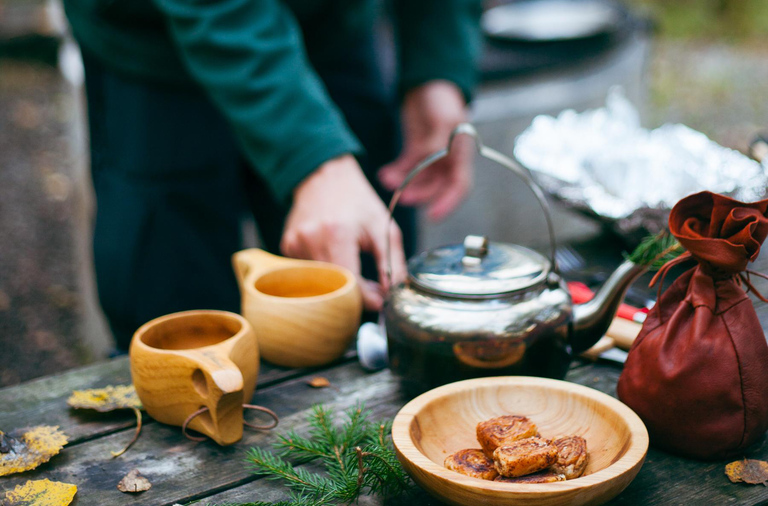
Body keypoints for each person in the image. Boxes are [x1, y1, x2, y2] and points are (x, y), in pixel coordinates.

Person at [62, 0, 482, 351]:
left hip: (330, 27)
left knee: (366, 288)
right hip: (153, 51)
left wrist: (437, 60)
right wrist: (314, 158)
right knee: (180, 326)